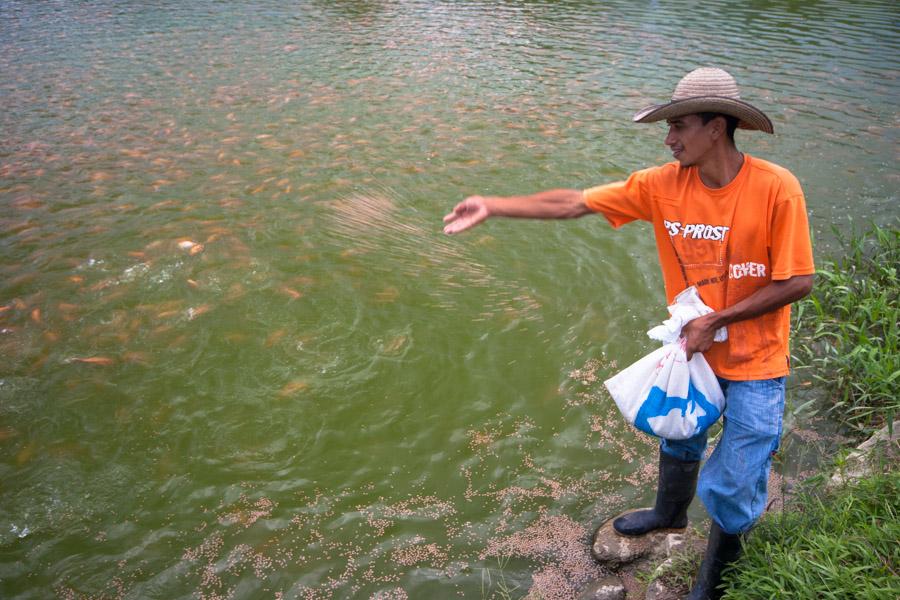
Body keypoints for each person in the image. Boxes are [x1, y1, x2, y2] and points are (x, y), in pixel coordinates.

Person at [442, 67, 815, 599]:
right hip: (692, 352)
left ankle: (711, 583)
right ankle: (670, 514)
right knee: (679, 431)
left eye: (679, 126)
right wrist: (496, 206)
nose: (669, 138)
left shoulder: (777, 188)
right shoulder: (662, 186)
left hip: (758, 360)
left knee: (733, 482)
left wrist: (718, 319)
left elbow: (798, 280)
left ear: (717, 127)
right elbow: (575, 202)